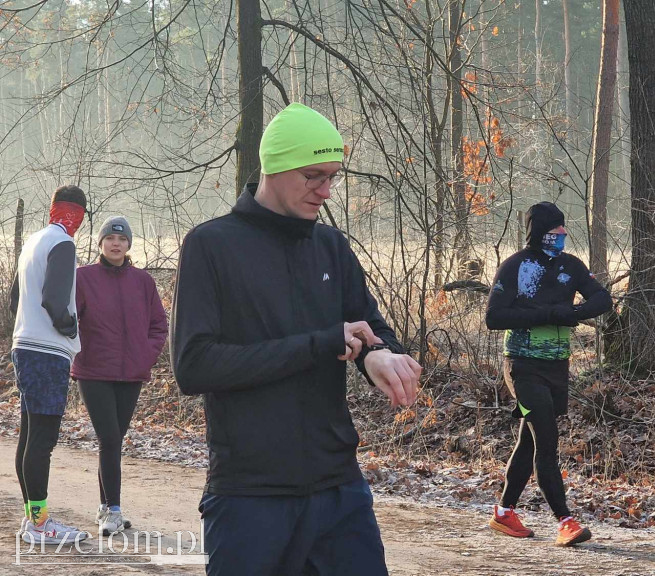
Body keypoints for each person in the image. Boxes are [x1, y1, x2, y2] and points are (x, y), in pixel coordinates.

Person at [172, 102, 421, 576]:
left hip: (339, 492)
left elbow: (369, 327)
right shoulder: (211, 245)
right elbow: (194, 366)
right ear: (274, 166)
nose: (326, 191)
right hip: (250, 497)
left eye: (333, 177)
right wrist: (320, 343)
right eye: (313, 175)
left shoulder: (331, 246)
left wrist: (377, 356)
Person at [485, 201, 612, 547]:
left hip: (557, 367)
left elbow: (603, 300)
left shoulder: (571, 266)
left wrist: (572, 311)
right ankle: (565, 521)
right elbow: (494, 317)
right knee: (547, 437)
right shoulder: (516, 267)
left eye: (563, 232)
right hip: (521, 366)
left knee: (528, 442)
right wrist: (546, 314)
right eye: (555, 233)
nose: (562, 237)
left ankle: (504, 512)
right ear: (539, 233)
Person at [72, 216, 168, 536]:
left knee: (113, 440)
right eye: (110, 239)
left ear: (128, 245)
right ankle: (113, 509)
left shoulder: (143, 282)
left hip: (131, 373)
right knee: (110, 437)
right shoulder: (82, 278)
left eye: (122, 239)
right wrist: (76, 350)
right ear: (100, 243)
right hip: (94, 371)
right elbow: (66, 320)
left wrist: (146, 354)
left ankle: (105, 506)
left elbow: (158, 325)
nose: (116, 243)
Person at [9, 185, 90, 544]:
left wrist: (33, 322)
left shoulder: (33, 242)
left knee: (30, 436)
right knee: (42, 441)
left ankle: (32, 520)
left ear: (52, 208)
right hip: (46, 351)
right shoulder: (63, 243)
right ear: (80, 216)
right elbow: (55, 300)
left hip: (24, 344)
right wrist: (68, 324)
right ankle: (40, 526)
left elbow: (14, 299)